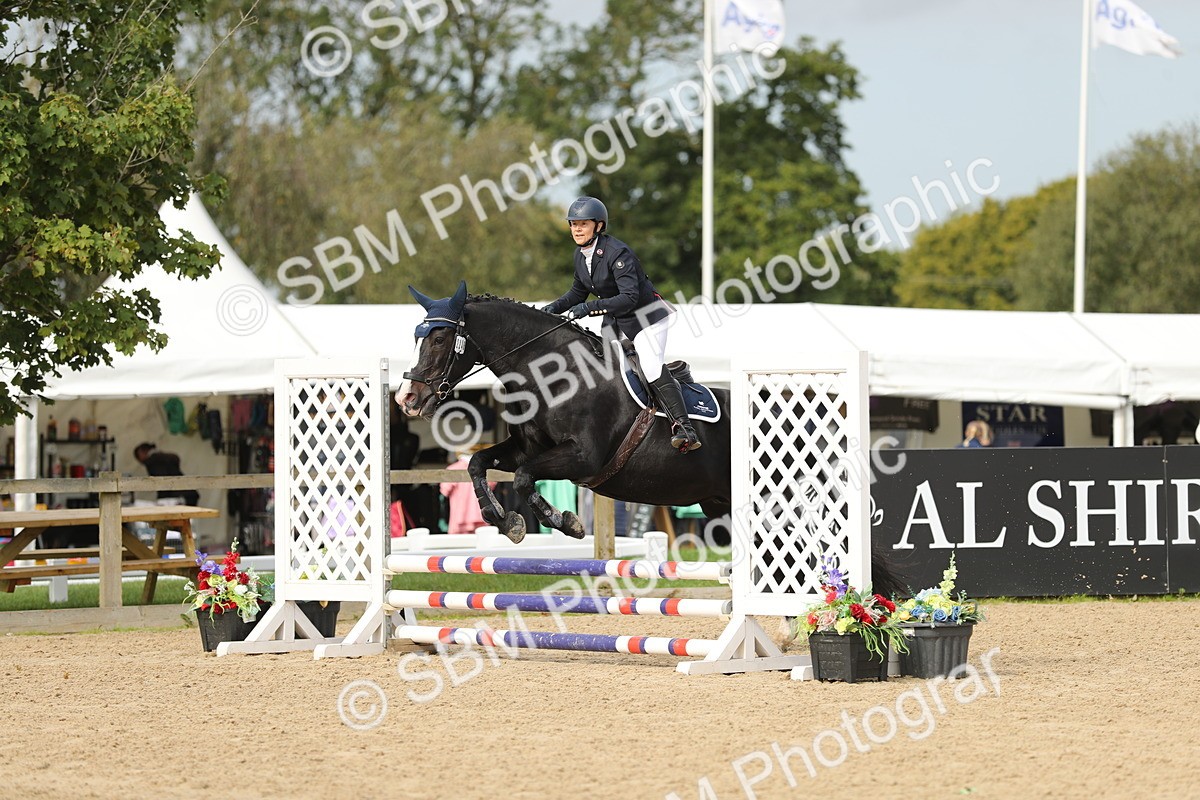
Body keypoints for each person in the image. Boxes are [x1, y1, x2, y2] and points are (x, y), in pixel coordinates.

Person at [541, 196, 700, 453]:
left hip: (647, 317)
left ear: (599, 226)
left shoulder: (617, 253)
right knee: (600, 363)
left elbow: (629, 297)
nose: (577, 229)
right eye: (573, 224)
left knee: (649, 366)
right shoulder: (581, 256)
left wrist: (589, 308)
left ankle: (684, 428)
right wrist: (552, 309)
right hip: (617, 318)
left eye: (583, 224)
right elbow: (577, 293)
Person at [133, 442, 200, 506]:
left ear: (142, 452)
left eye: (138, 458)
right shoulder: (165, 457)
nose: (141, 462)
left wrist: (161, 500)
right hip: (189, 494)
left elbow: (162, 482)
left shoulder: (152, 461)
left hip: (177, 497)